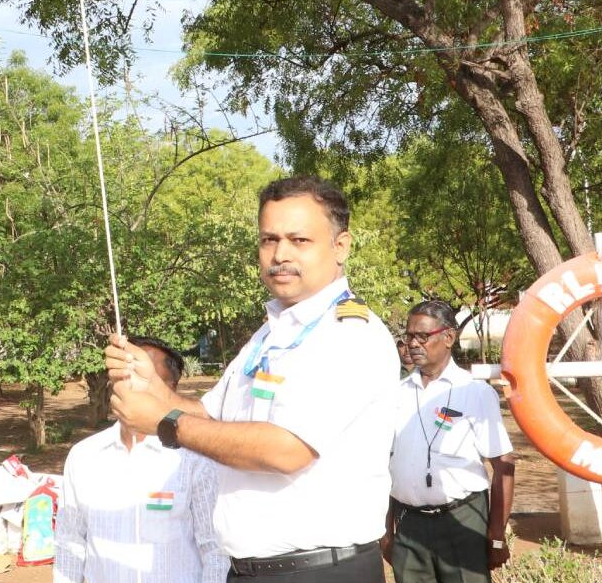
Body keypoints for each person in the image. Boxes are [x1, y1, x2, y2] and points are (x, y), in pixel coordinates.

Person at [106, 176, 398, 583]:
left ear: (341, 246)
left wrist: (162, 422)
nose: (280, 254)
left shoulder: (349, 333)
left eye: (300, 240)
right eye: (268, 240)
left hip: (320, 572)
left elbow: (286, 450)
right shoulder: (272, 332)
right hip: (250, 571)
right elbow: (209, 415)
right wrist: (150, 383)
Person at [54, 336, 229, 583]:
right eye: (127, 376)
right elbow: (69, 543)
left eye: (149, 381)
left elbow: (216, 550)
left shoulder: (194, 459)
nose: (135, 388)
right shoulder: (84, 457)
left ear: (172, 389)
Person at [382, 300, 515, 583]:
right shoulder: (396, 394)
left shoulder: (475, 392)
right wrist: (387, 532)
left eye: (422, 336)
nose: (413, 344)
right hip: (409, 524)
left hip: (462, 519)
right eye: (409, 336)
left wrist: (496, 537)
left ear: (449, 337)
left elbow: (503, 467)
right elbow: (384, 465)